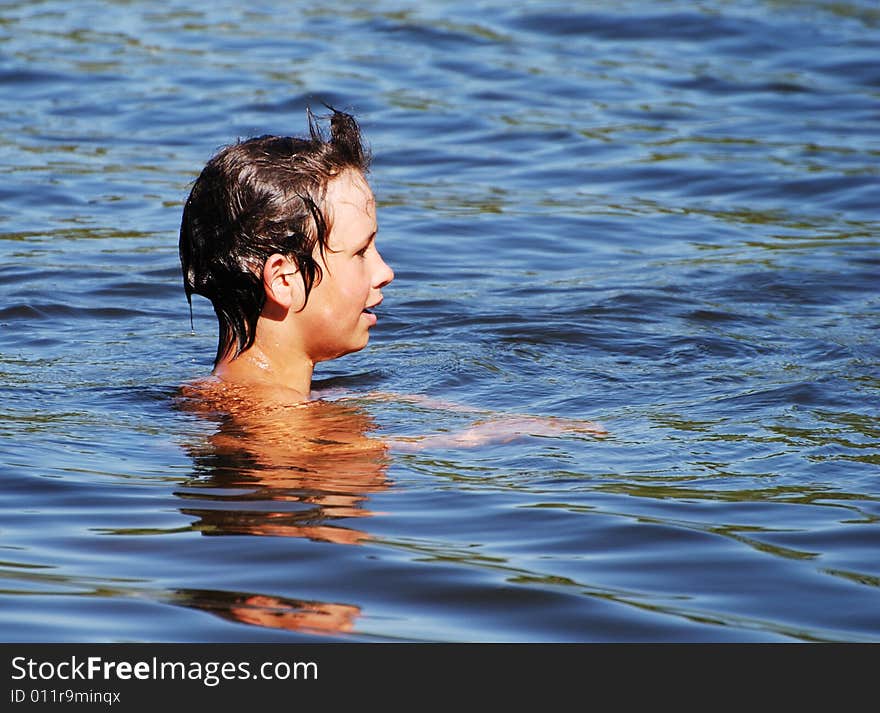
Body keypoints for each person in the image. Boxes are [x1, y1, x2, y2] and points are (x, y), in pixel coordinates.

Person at [178, 107, 605, 448]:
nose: (385, 272)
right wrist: (484, 436)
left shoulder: (227, 399)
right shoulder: (275, 432)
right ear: (284, 279)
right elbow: (307, 444)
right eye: (361, 252)